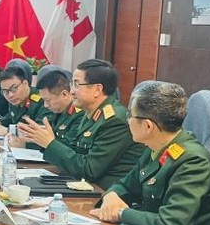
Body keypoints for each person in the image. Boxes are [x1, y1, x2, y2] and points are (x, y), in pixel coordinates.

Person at [90, 81, 210, 225]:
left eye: (131, 115)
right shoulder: (158, 146)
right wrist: (112, 196)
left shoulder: (192, 161)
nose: (127, 120)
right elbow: (126, 185)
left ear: (147, 126)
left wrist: (121, 213)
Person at [19, 59, 145, 188]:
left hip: (107, 192)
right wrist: (45, 141)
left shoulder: (114, 121)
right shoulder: (90, 114)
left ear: (97, 89)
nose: (72, 91)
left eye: (77, 85)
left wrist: (50, 143)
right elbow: (74, 151)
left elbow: (89, 170)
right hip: (86, 185)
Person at [20, 69, 84, 148]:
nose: (45, 105)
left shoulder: (79, 116)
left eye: (47, 100)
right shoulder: (57, 111)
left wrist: (25, 145)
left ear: (64, 95)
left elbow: (68, 148)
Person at [0, 66, 54, 136]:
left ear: (25, 84)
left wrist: (9, 131)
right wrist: (0, 122)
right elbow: (13, 116)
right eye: (5, 91)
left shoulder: (43, 100)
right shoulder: (15, 98)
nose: (10, 95)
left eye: (14, 88)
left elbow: (41, 131)